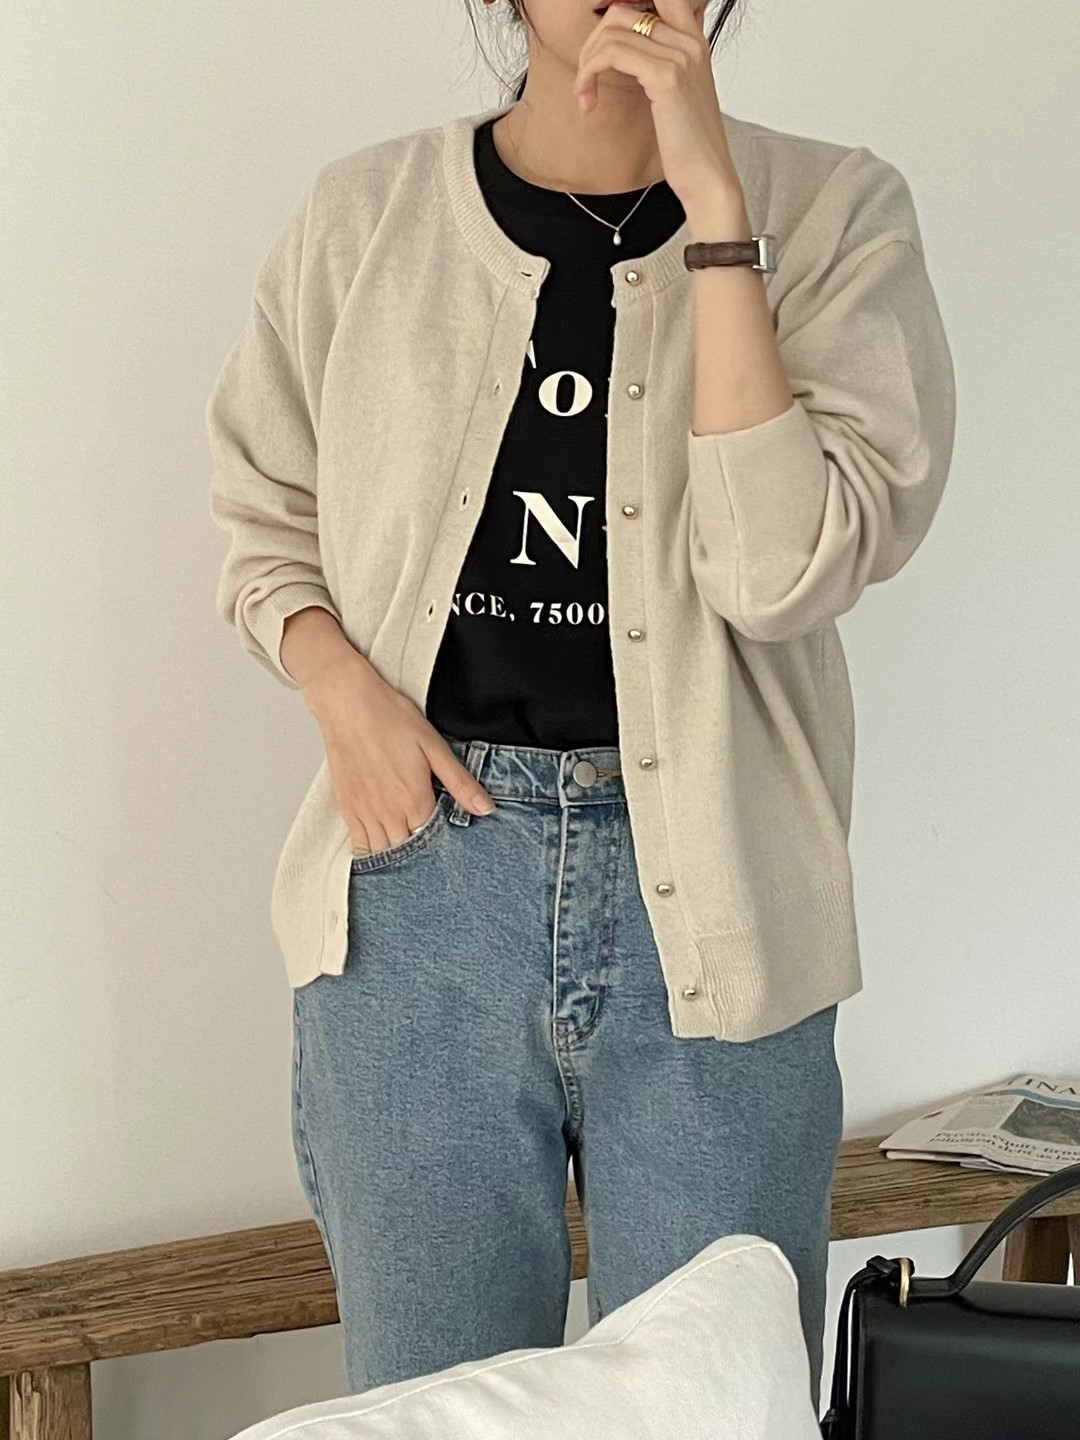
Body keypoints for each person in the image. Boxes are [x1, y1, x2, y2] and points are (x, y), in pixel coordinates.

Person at [206, 0, 956, 1413]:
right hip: (422, 889)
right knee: (434, 1412)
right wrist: (342, 693)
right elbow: (263, 514)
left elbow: (781, 573)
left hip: (720, 896)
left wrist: (718, 215)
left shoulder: (838, 213)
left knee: (713, 1407)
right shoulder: (363, 216)